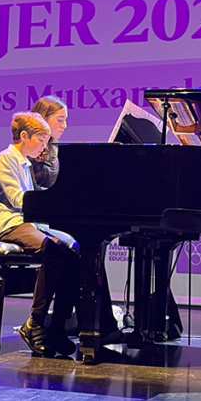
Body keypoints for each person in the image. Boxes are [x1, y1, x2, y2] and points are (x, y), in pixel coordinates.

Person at [28, 96, 123, 343]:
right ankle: (81, 325)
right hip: (35, 220)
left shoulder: (54, 151)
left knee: (88, 248)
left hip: (50, 216)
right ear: (43, 120)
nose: (65, 125)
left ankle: (91, 324)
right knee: (80, 249)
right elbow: (42, 190)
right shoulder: (35, 153)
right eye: (60, 120)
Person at [0, 111, 79, 357]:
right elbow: (18, 200)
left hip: (28, 224)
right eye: (41, 140)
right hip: (9, 225)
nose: (44, 147)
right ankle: (35, 322)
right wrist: (51, 201)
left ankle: (58, 326)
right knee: (54, 251)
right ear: (24, 136)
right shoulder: (5, 159)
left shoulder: (25, 163)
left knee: (75, 251)